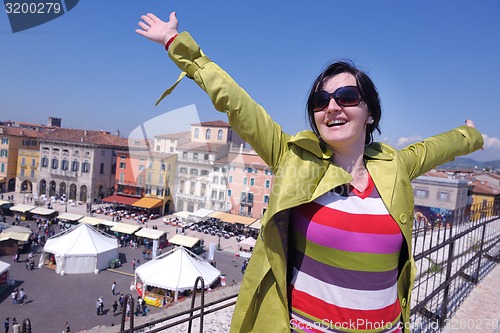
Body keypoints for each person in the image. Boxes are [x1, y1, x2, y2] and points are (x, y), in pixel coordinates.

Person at [136, 11, 484, 333]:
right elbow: (234, 101)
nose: (332, 106)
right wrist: (175, 42)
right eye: (320, 101)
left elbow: (436, 148)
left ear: (370, 113)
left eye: (347, 96)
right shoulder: (294, 161)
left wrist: (470, 136)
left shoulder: (394, 166)